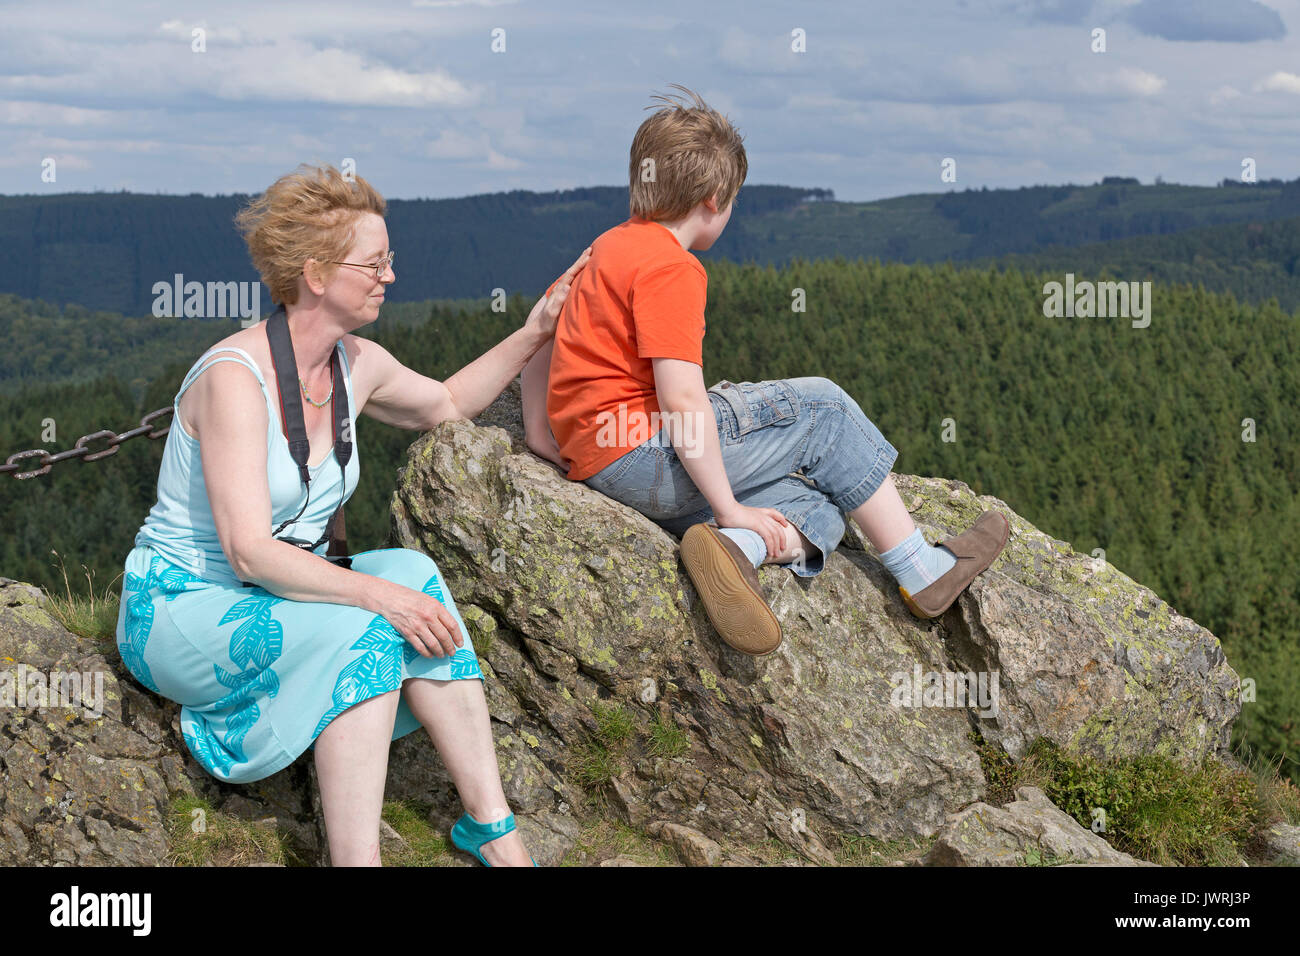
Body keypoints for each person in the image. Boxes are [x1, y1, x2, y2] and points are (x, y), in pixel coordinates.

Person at [115, 163, 590, 866]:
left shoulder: (354, 363)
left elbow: (448, 405)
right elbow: (247, 551)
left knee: (417, 576)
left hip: (267, 591)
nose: (389, 276)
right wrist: (375, 595)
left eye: (388, 260)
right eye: (374, 262)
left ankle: (494, 831)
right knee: (365, 625)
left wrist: (534, 332)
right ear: (315, 274)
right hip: (183, 603)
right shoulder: (234, 379)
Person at [521, 86, 1009, 656]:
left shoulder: (606, 246)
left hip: (604, 467)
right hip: (646, 452)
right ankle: (921, 568)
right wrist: (728, 503)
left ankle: (739, 551)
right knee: (825, 409)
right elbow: (681, 400)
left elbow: (542, 333)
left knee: (821, 502)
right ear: (712, 198)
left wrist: (538, 432)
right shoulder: (671, 267)